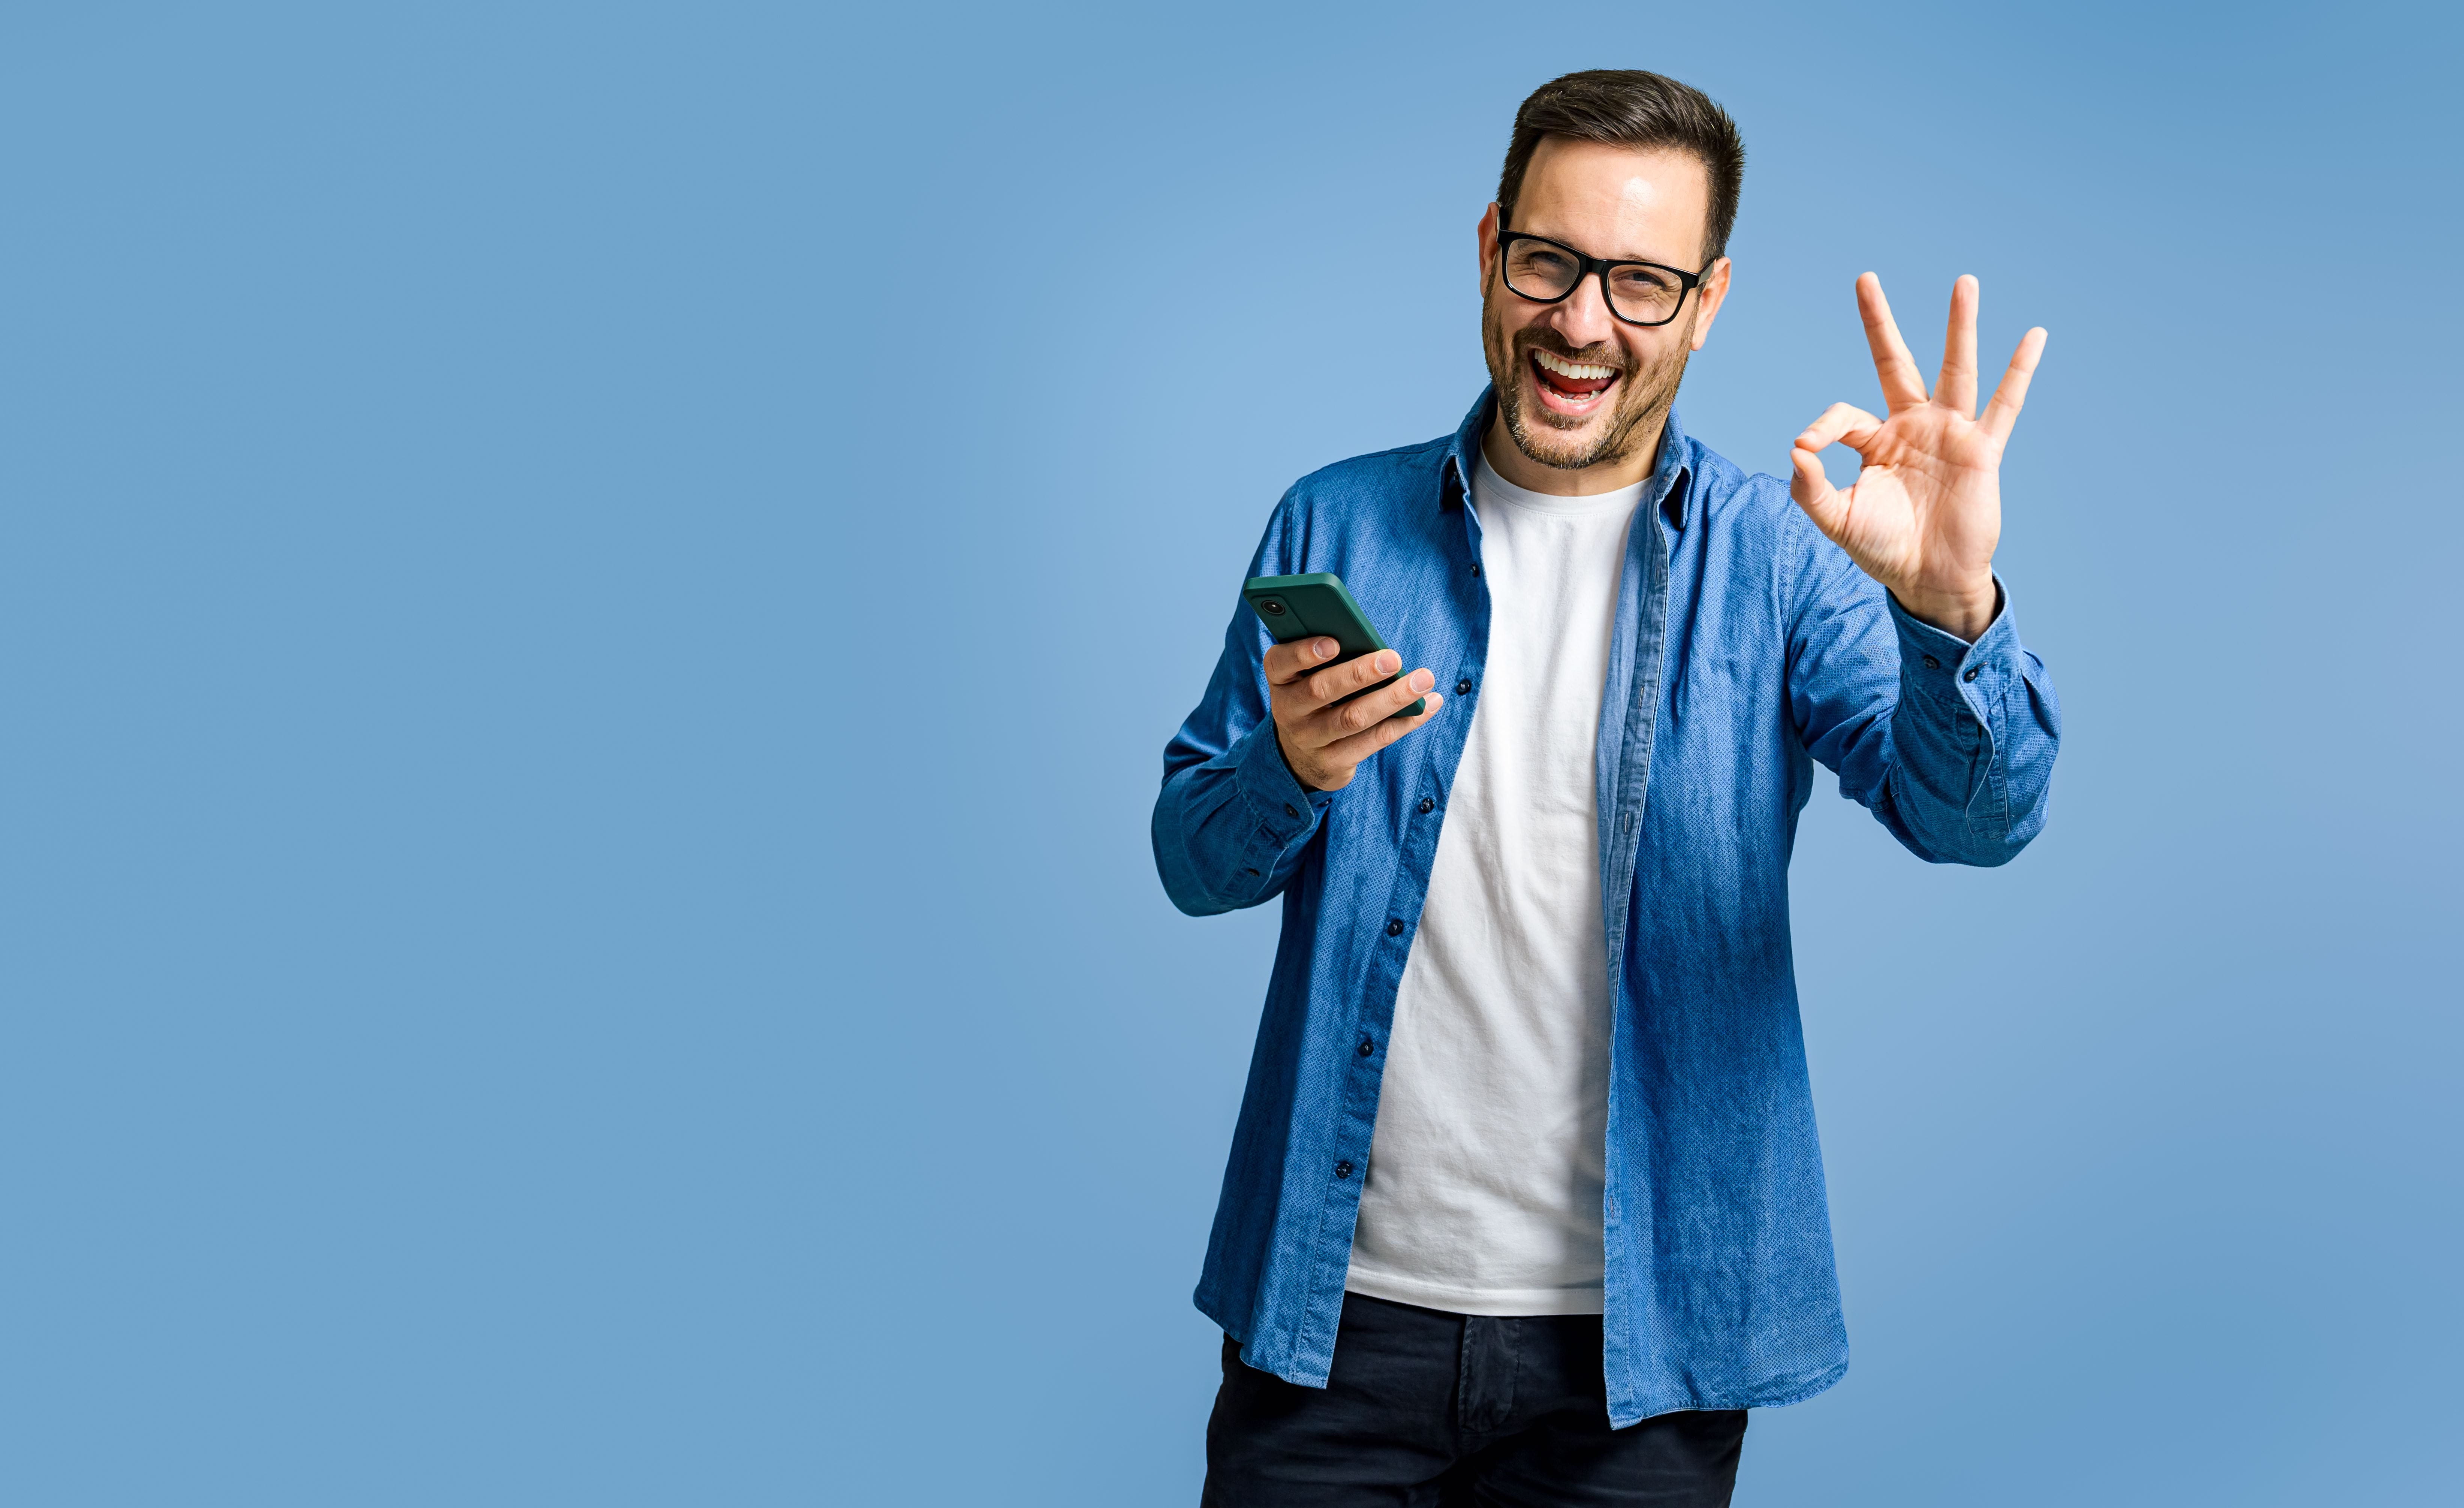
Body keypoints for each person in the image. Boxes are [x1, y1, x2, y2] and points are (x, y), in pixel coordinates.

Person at [1152, 68, 2060, 1506]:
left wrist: (1950, 613)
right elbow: (1195, 858)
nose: (1583, 322)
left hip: (1637, 1362)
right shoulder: (1336, 522)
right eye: (1550, 262)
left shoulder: (1779, 559)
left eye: (1642, 283)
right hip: (1332, 1330)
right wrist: (1290, 770)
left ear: (1705, 304)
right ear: (1488, 248)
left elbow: (1973, 820)